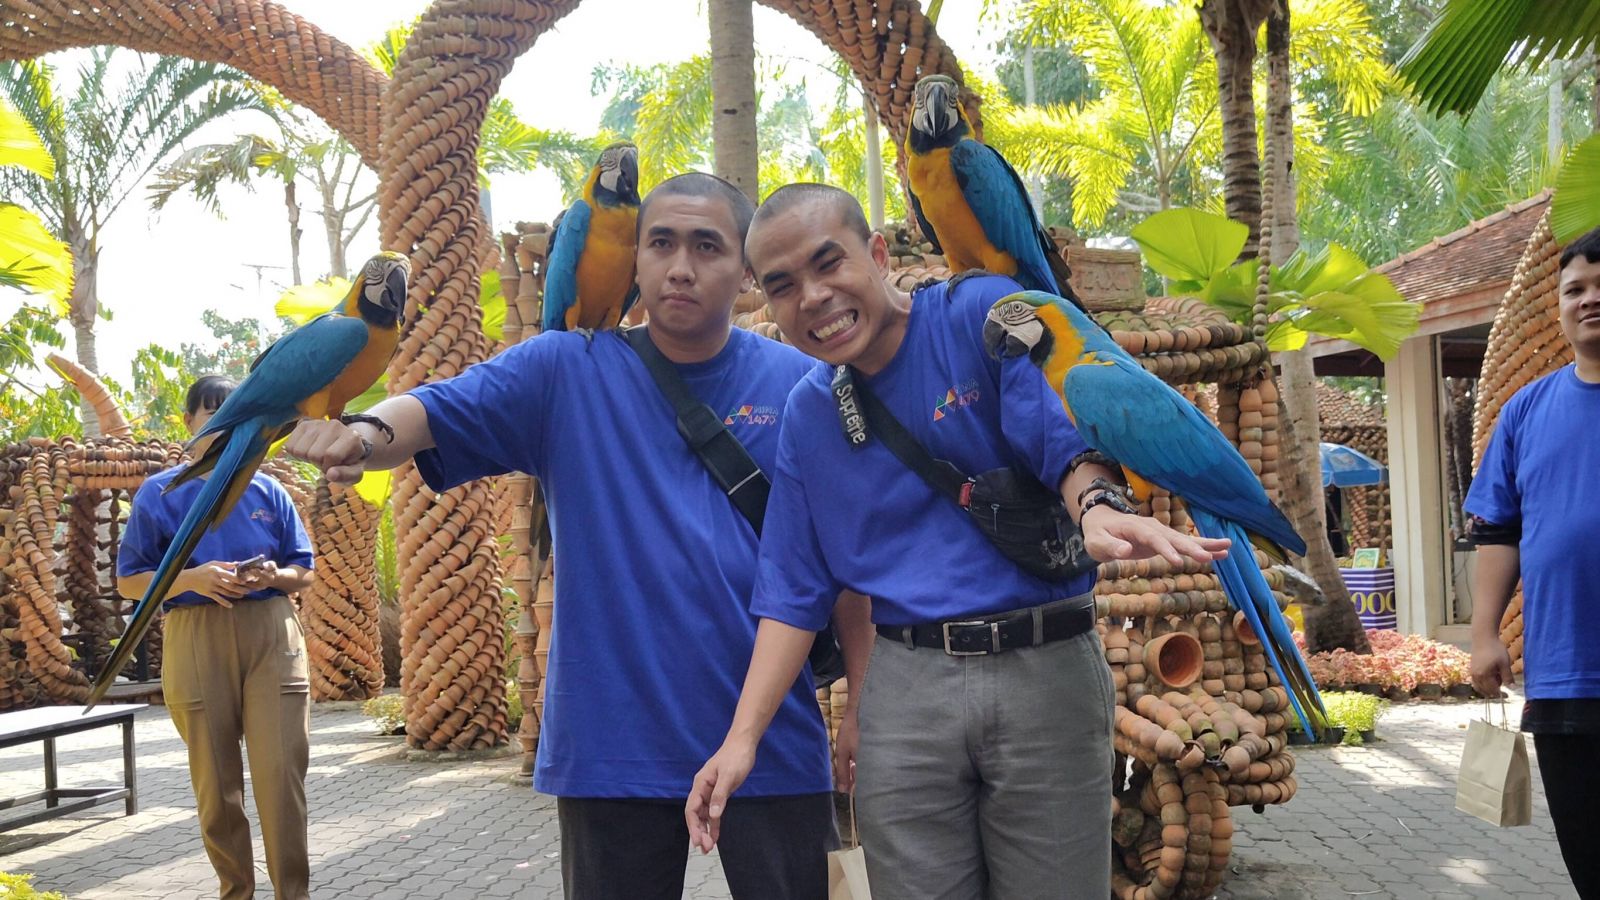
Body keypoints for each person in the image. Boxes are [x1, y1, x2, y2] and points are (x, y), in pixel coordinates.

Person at [283, 173, 860, 900]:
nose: (680, 267)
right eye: (661, 244)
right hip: (612, 748)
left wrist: (862, 706)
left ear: (746, 270)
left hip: (771, 742)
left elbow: (847, 570)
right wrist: (361, 435)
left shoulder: (804, 387)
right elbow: (429, 411)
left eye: (707, 246)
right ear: (635, 258)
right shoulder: (564, 370)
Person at [686, 184, 1228, 900]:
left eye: (829, 263)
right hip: (906, 689)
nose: (813, 297)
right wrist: (741, 740)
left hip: (1045, 669)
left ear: (877, 254)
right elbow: (792, 593)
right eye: (783, 286)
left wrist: (1096, 506)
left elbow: (1061, 436)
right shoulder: (810, 414)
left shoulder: (981, 315)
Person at [116, 375, 317, 900]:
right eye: (213, 413)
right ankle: (236, 891)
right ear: (189, 422)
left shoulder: (269, 490)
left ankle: (293, 893)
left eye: (238, 414)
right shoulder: (159, 492)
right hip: (195, 634)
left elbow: (304, 570)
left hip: (271, 633)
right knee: (216, 785)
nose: (226, 424)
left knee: (281, 778)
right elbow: (129, 581)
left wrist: (273, 574)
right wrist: (191, 579)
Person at [1467, 225, 1600, 900]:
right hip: (1564, 676)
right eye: (1576, 289)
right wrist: (1484, 635)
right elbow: (1497, 531)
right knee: (1590, 859)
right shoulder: (1526, 411)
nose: (1589, 299)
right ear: (1559, 306)